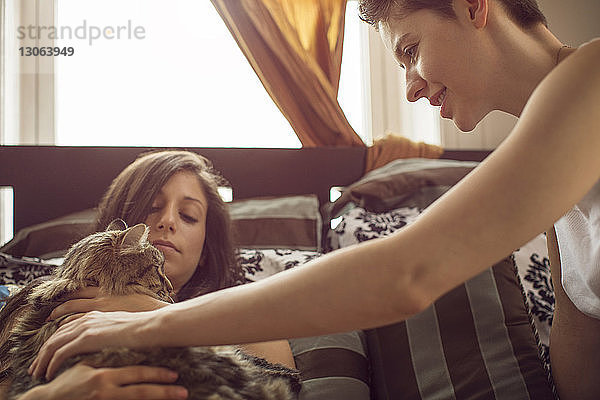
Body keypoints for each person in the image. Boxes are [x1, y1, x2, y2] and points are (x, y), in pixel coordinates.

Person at [29, 1, 599, 399]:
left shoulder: (592, 75)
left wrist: (146, 326)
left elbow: (405, 273)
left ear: (474, 6)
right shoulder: (557, 184)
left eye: (411, 49)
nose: (411, 87)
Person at [8, 150, 295, 400]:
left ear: (205, 250)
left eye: (189, 216)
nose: (167, 221)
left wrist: (156, 313)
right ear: (114, 228)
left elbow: (281, 384)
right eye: (152, 207)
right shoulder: (39, 304)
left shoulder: (246, 321)